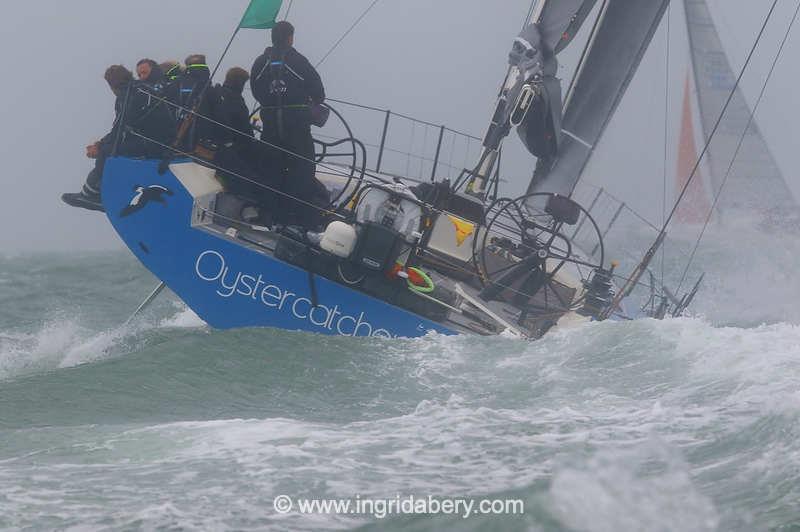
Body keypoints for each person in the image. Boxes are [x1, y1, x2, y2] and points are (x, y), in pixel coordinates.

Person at [62, 65, 176, 212]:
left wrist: (100, 146)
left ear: (112, 84)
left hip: (157, 143)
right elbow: (121, 128)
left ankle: (93, 195)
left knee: (107, 151)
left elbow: (120, 128)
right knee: (110, 147)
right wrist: (101, 143)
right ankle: (102, 192)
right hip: (157, 139)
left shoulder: (130, 94)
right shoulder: (139, 89)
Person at [250, 21, 327, 226]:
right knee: (302, 170)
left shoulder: (260, 63)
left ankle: (267, 215)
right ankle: (295, 218)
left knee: (270, 169)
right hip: (297, 129)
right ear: (290, 37)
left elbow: (256, 90)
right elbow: (319, 93)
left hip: (271, 128)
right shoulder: (299, 61)